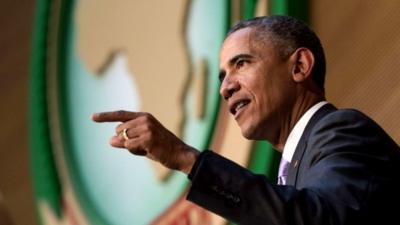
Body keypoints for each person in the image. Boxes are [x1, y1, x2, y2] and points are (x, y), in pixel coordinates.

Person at [92, 16, 400, 225]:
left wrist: (186, 159)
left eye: (241, 63)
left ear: (300, 66)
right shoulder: (294, 174)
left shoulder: (342, 131)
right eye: (223, 76)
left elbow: (319, 219)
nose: (225, 87)